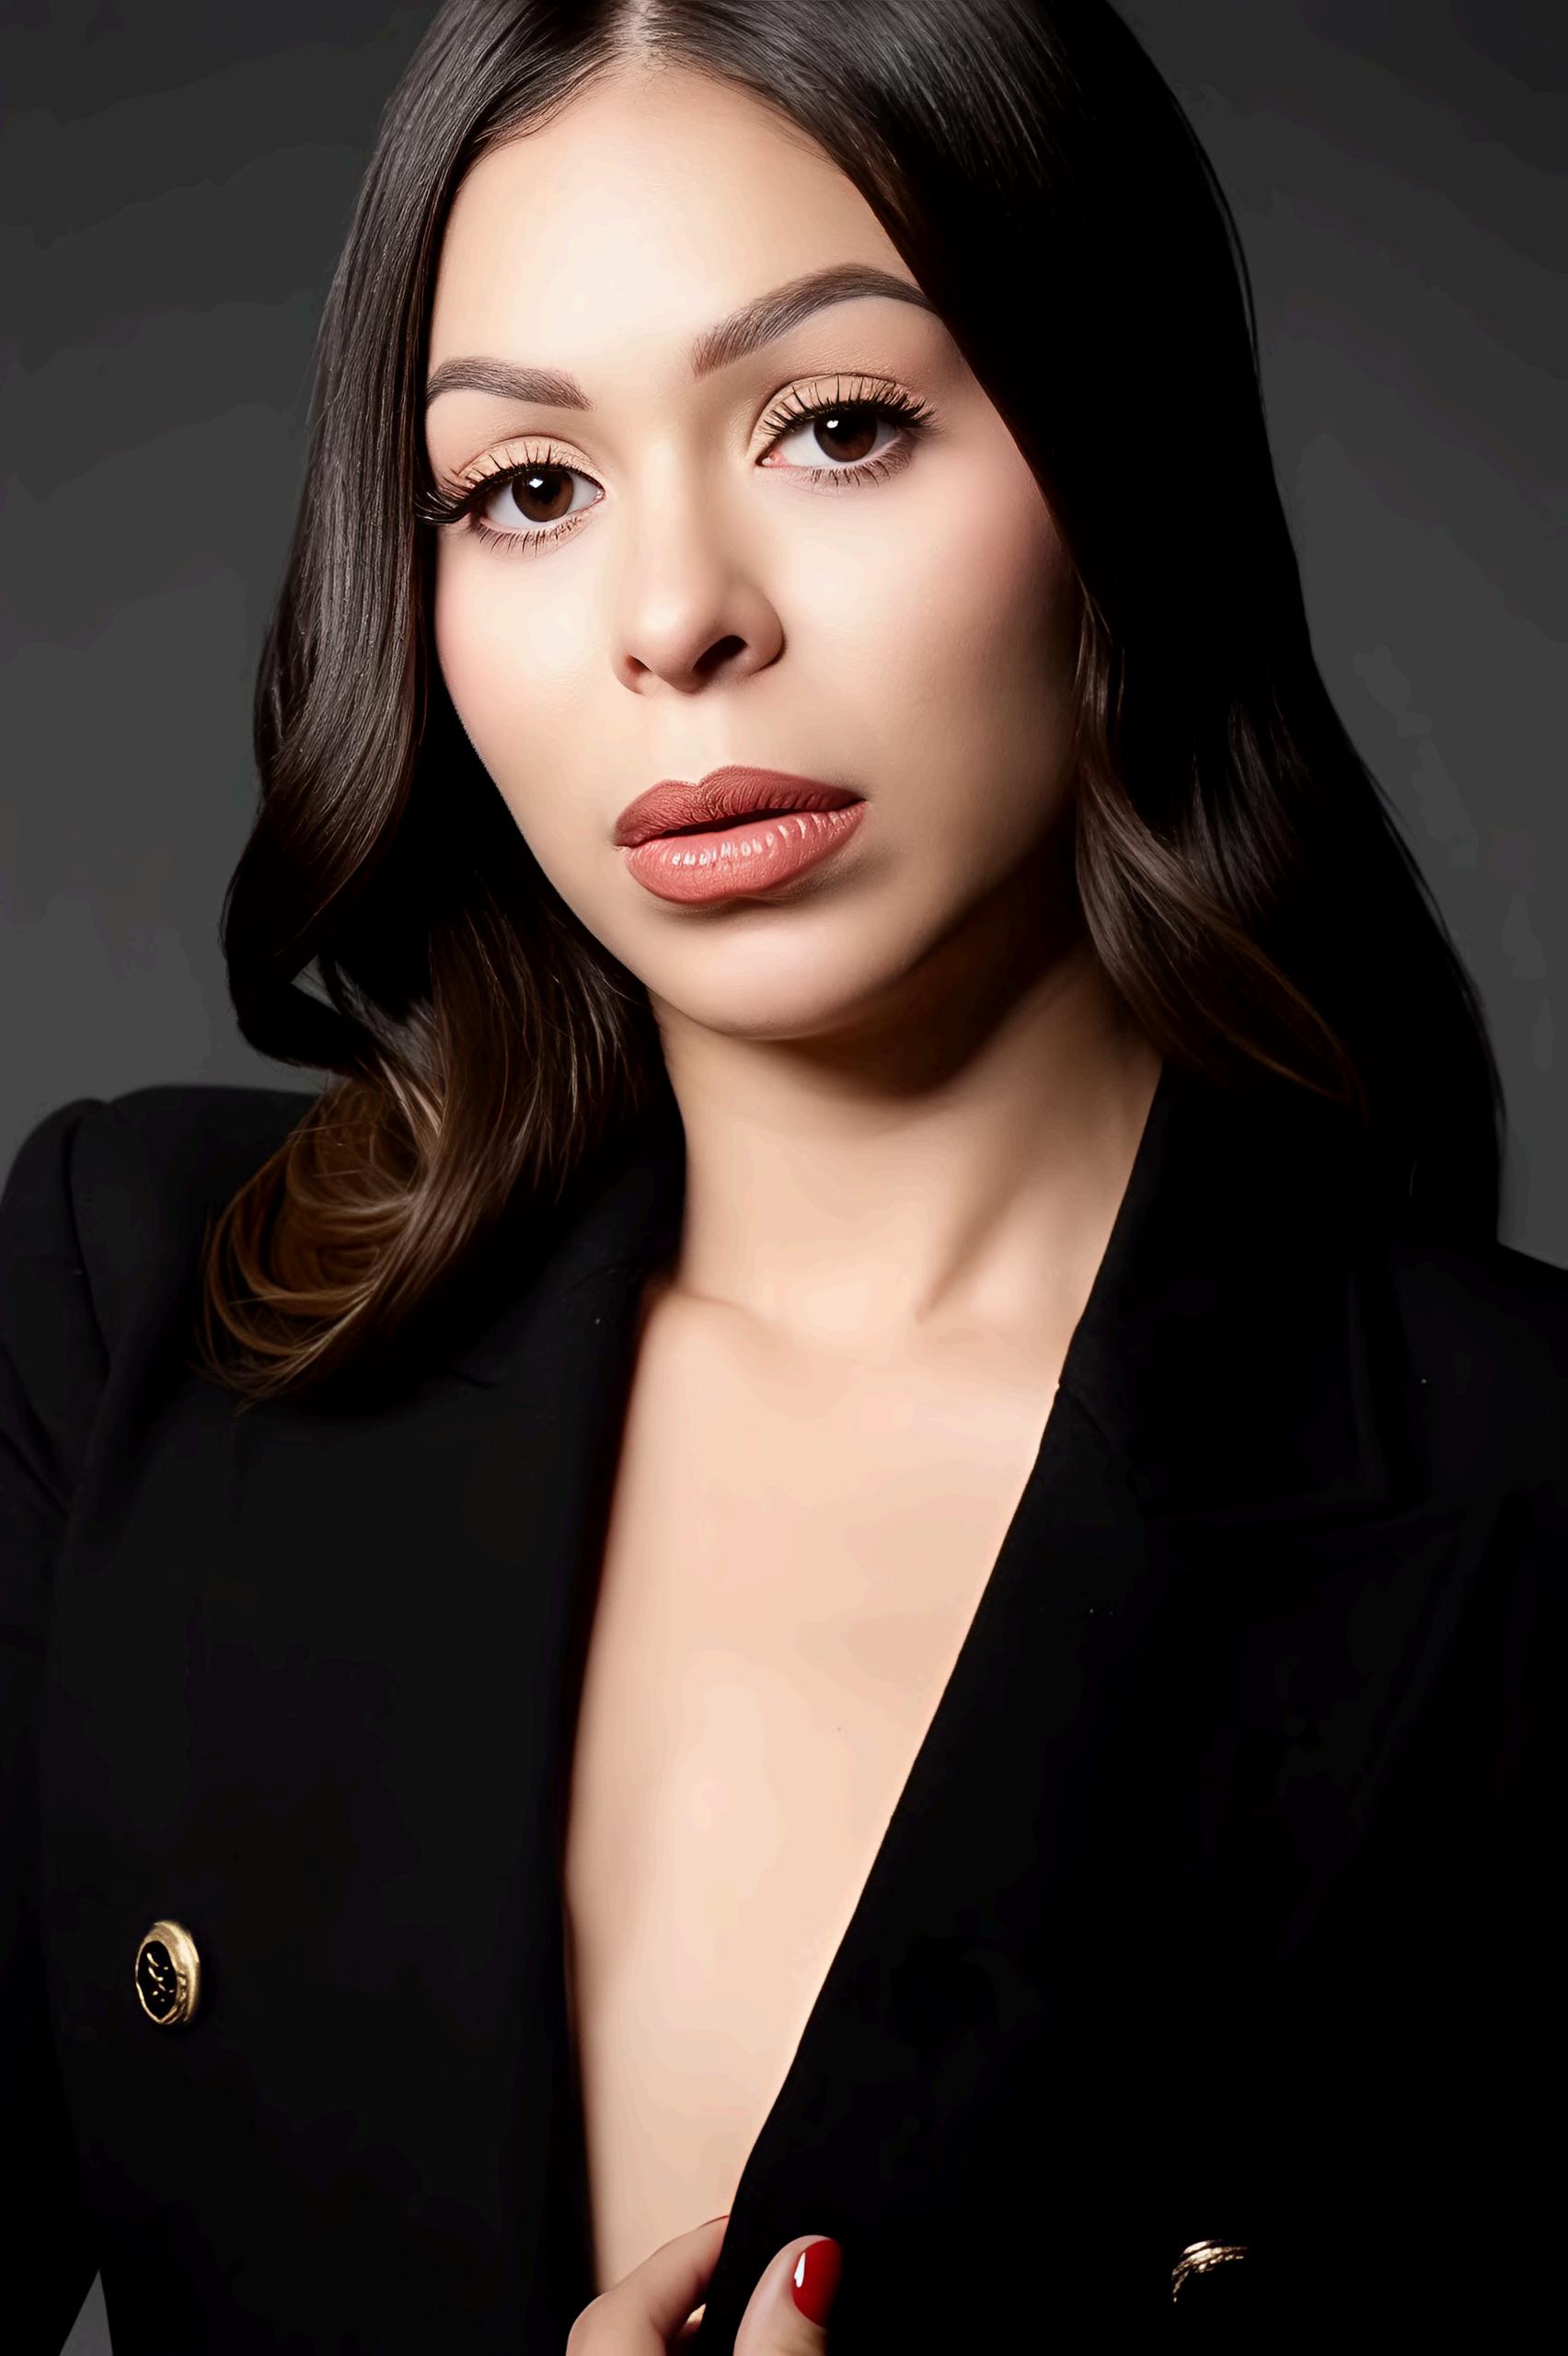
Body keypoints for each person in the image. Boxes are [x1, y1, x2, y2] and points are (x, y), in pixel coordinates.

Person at [3, 3, 1562, 2350]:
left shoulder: (1524, 1503)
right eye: (528, 486)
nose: (675, 618)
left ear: (1120, 458)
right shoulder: (134, 1320)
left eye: (837, 424)